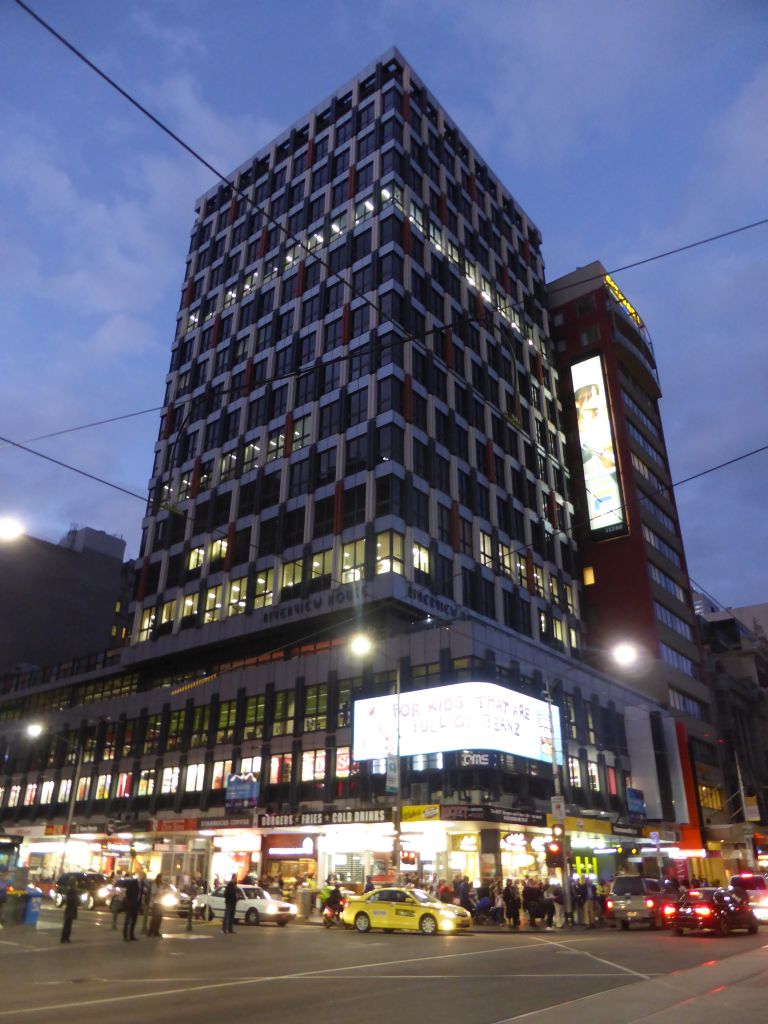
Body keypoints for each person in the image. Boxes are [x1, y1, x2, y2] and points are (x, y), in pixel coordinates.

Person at [123, 873, 141, 942]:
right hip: (131, 904)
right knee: (127, 921)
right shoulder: (134, 882)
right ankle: (125, 936)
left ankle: (131, 935)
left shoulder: (141, 884)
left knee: (134, 921)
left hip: (136, 904)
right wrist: (130, 900)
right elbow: (128, 891)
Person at [61, 877, 80, 944]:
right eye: (76, 882)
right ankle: (65, 938)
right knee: (67, 924)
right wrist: (77, 902)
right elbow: (72, 900)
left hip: (69, 909)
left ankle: (66, 938)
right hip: (70, 909)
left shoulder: (70, 890)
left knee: (68, 924)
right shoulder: (73, 891)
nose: (77, 883)